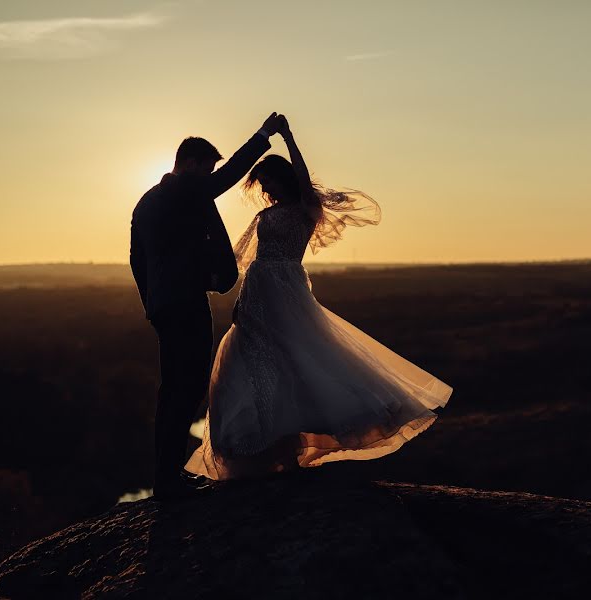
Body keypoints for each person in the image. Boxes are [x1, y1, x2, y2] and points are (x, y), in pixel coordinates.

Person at [185, 115, 452, 480]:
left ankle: (290, 451)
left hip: (286, 292)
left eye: (269, 182)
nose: (266, 191)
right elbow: (248, 262)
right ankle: (272, 453)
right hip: (257, 292)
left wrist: (288, 137)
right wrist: (241, 301)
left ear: (283, 179)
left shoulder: (305, 208)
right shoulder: (268, 213)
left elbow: (304, 181)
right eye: (262, 185)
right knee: (250, 365)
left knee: (294, 362)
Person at [130, 113, 283, 499]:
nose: (210, 175)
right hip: (184, 304)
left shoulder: (146, 202)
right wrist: (264, 135)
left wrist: (152, 301)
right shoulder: (186, 189)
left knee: (173, 391)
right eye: (207, 167)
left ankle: (165, 476)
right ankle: (168, 480)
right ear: (194, 163)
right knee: (189, 386)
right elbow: (228, 175)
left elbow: (136, 259)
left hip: (164, 306)